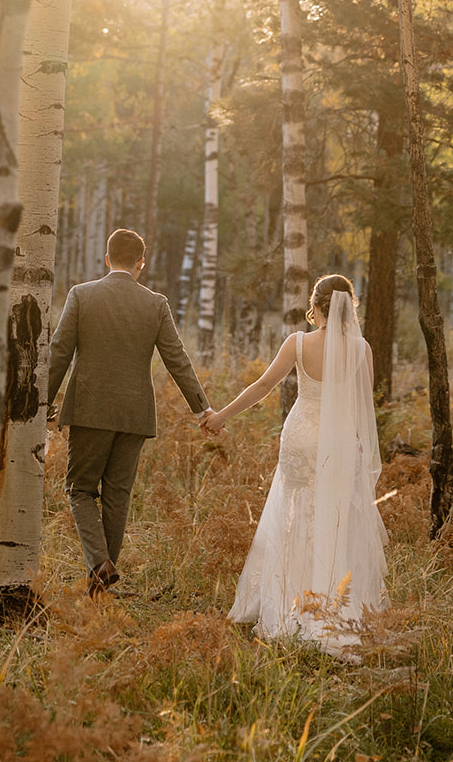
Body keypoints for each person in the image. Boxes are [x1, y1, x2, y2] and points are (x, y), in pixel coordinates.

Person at [201, 273, 387, 651]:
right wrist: (359, 447)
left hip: (301, 437)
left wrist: (221, 415)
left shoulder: (298, 343)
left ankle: (287, 603)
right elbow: (361, 405)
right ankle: (333, 607)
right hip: (338, 443)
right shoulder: (361, 349)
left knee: (293, 514)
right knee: (334, 520)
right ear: (348, 309)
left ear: (316, 308)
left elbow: (263, 387)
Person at [48, 228, 212, 598]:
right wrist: (202, 406)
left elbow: (59, 352)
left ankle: (100, 565)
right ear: (141, 263)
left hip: (90, 410)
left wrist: (42, 402)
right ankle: (101, 584)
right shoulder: (155, 303)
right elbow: (177, 359)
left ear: (107, 259)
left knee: (80, 489)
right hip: (135, 414)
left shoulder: (81, 295)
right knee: (118, 496)